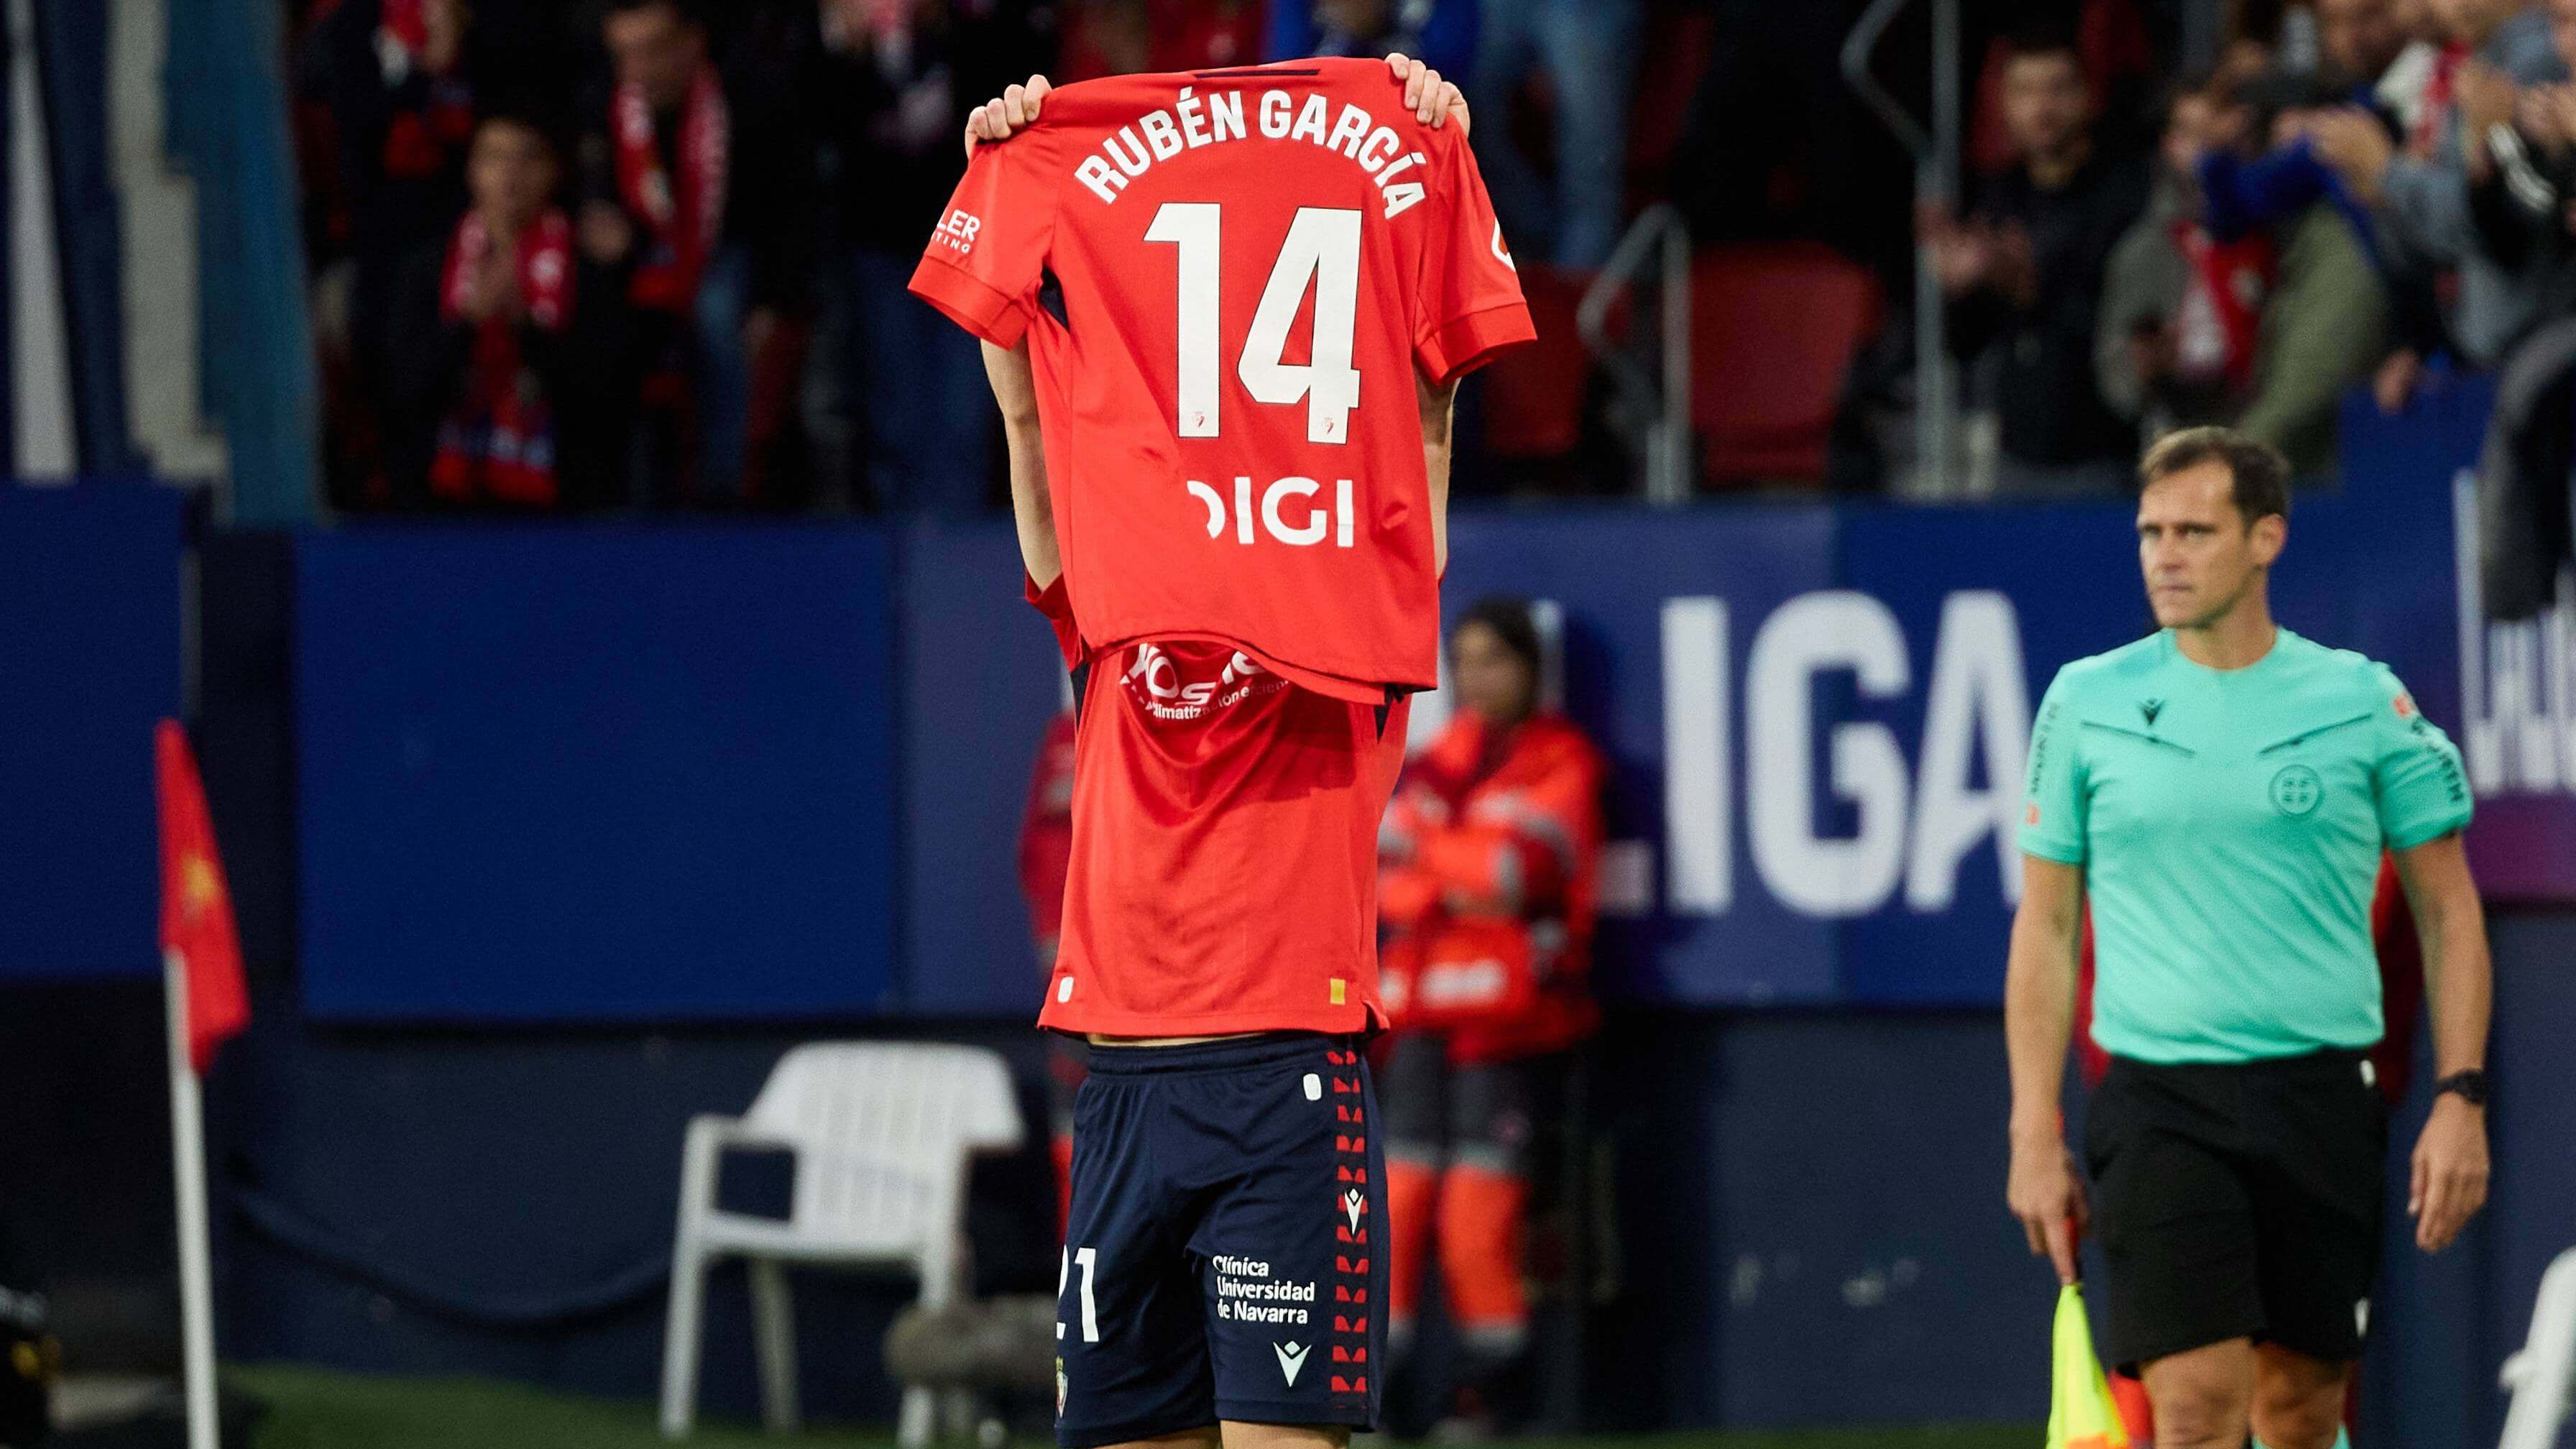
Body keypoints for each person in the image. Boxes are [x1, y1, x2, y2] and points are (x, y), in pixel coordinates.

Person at [923, 51, 1530, 1449]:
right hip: (1122, 1086)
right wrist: (1008, 168)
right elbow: (1024, 413)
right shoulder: (1104, 639)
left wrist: (1431, 145)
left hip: (1283, 1087)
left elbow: (1422, 427)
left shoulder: (1356, 651)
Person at [2005, 427, 2493, 1449]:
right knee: (2192, 1411)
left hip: (2322, 1096)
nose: (2164, 555)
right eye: (2150, 532)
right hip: (2158, 1102)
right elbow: (2046, 930)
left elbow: (2449, 912)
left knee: (2302, 1412)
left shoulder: (2364, 702)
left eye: (2194, 530)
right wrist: (2032, 1130)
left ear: (2265, 537)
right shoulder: (2085, 704)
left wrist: (2461, 1096)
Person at [1374, 598, 1602, 1435]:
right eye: (1463, 659)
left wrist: (1430, 856)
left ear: (1530, 669)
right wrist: (1455, 869)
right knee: (1394, 1206)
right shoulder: (1434, 761)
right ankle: (1379, 1390)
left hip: (1514, 1028)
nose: (1476, 677)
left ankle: (1486, 1394)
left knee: (1477, 1221)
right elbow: (1379, 879)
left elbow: (1515, 872)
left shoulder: (1562, 761)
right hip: (1420, 1019)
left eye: (1494, 660)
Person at [1926, 27, 2150, 495]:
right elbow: (1963, 345)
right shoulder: (1996, 197)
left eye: (2058, 88)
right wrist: (1961, 292)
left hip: (2103, 457)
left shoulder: (2126, 194)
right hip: (2016, 456)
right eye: (2024, 90)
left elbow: (2123, 325)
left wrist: (2031, 289)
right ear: (2003, 104)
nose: (2042, 108)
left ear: (2087, 96)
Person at [380, 112, 628, 509]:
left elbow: (601, 397)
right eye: (495, 157)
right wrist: (466, 323)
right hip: (443, 503)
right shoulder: (427, 268)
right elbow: (403, 389)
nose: (511, 174)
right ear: (472, 171)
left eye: (529, 158)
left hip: (561, 502)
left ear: (554, 171)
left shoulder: (588, 274)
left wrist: (525, 327)